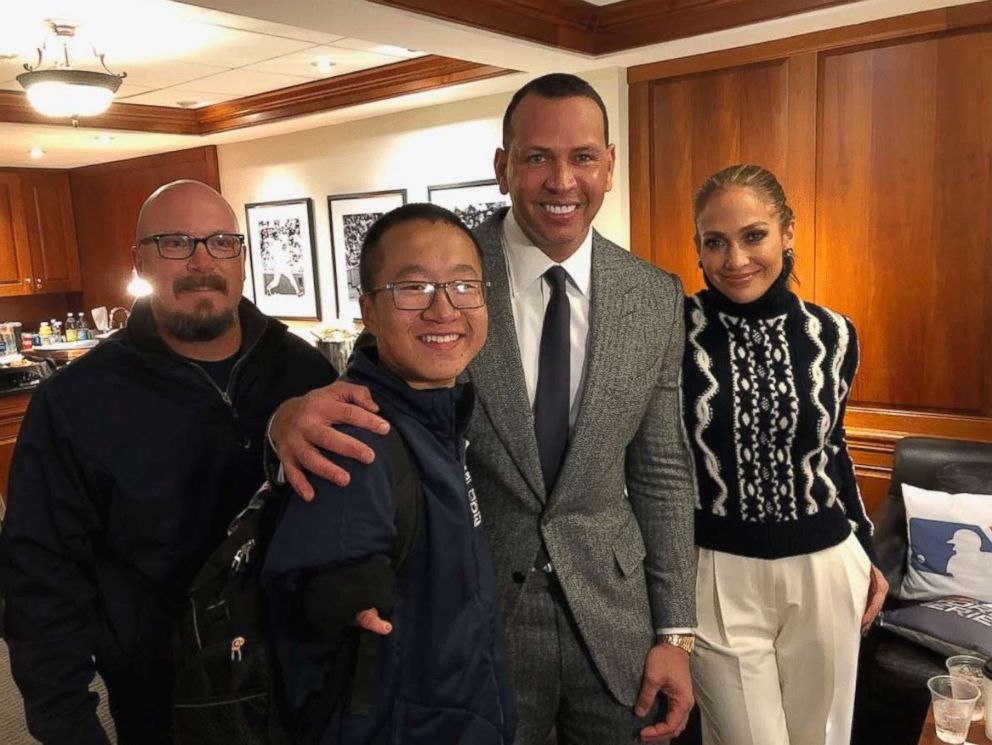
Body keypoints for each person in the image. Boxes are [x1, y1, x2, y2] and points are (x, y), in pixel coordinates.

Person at [269, 73, 698, 744]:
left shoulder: (655, 296)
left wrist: (677, 631)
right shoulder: (449, 275)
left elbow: (663, 472)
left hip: (615, 621)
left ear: (609, 167)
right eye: (537, 157)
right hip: (475, 616)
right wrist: (286, 412)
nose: (562, 180)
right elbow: (376, 381)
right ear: (503, 167)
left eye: (583, 156)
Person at [0, 180, 337, 745]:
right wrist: (66, 723)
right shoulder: (76, 400)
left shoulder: (303, 372)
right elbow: (39, 577)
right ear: (139, 260)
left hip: (307, 676)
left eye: (221, 241)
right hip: (165, 697)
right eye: (176, 242)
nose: (203, 261)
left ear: (242, 257)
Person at [262, 203, 515, 744]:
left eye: (464, 285)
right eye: (413, 289)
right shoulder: (354, 437)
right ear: (369, 312)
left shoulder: (441, 419)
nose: (444, 309)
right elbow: (326, 656)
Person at [682, 164, 889, 745]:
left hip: (825, 566)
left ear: (787, 233)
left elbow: (836, 449)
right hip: (715, 571)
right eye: (714, 242)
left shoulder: (836, 334)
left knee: (824, 735)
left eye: (754, 236)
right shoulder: (673, 330)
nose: (735, 258)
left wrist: (867, 551)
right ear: (698, 248)